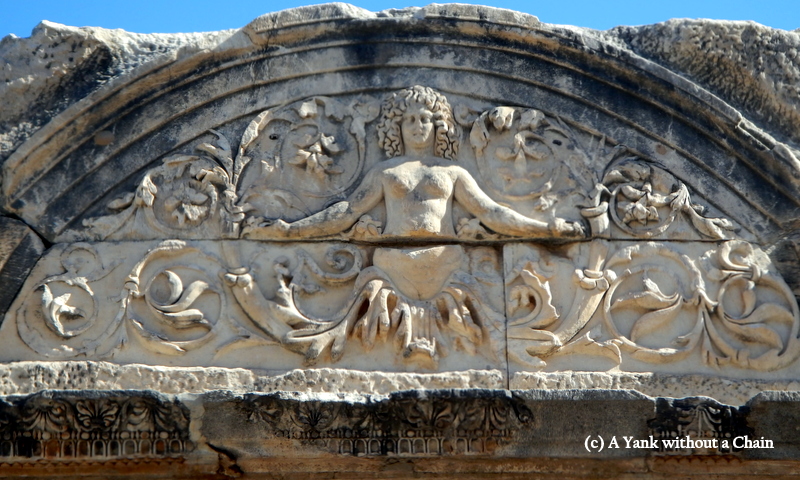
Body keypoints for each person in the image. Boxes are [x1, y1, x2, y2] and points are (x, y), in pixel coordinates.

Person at [244, 85, 584, 244]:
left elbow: (491, 212)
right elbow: (347, 212)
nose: (418, 126)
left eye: (425, 119)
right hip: (390, 257)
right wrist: (290, 230)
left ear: (439, 125)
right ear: (397, 126)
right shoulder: (384, 172)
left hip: (448, 257)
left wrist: (545, 229)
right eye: (409, 119)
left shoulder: (453, 172)